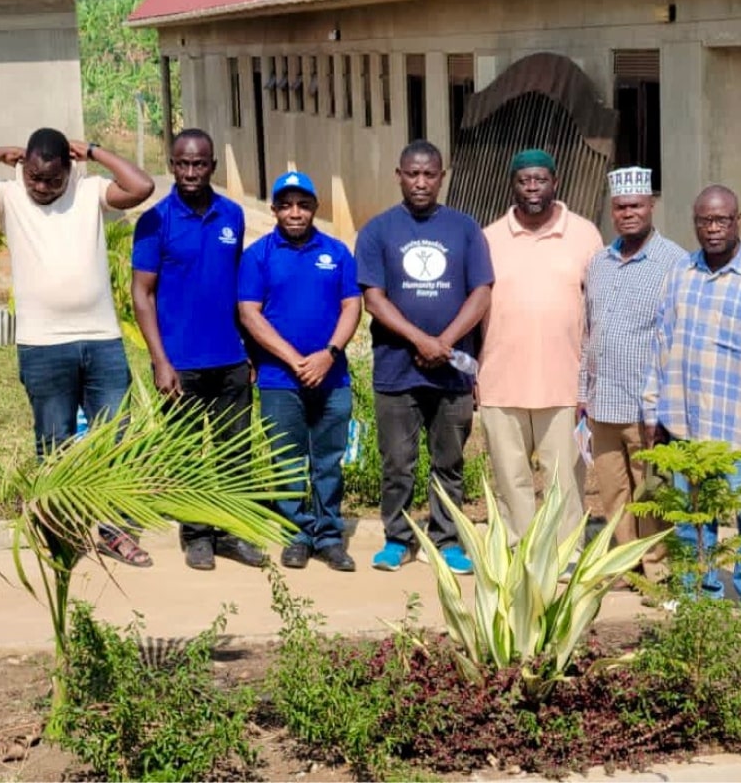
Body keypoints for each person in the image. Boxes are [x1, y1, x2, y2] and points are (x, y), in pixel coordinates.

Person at [0, 127, 157, 567]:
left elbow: (142, 186)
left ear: (70, 167)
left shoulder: (91, 190)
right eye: (34, 178)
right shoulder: (9, 198)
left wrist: (95, 151)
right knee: (54, 442)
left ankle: (115, 533)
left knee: (115, 440)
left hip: (102, 341)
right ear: (23, 169)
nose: (41, 188)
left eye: (52, 179)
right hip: (42, 346)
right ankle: (62, 531)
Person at [644, 185, 741, 599]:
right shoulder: (680, 274)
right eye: (704, 221)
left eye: (721, 220)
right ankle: (698, 598)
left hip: (740, 437)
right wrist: (653, 412)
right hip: (685, 430)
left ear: (737, 221)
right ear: (694, 222)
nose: (712, 229)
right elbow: (661, 345)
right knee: (692, 521)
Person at [355, 140, 492, 572]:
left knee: (449, 462)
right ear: (398, 175)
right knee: (397, 462)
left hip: (451, 374)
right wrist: (421, 341)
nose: (420, 182)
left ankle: (447, 539)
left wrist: (444, 343)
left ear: (441, 177)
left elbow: (482, 292)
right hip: (397, 371)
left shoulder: (465, 228)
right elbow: (373, 300)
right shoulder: (377, 231)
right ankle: (396, 537)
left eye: (428, 174)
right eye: (412, 174)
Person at [131, 128, 264, 571]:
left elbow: (238, 286)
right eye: (183, 163)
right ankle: (196, 536)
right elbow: (142, 294)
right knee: (185, 453)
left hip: (230, 359)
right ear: (172, 164)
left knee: (234, 452)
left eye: (199, 163)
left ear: (213, 166)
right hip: (180, 365)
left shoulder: (232, 216)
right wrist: (160, 360)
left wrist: (249, 350)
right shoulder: (155, 220)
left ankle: (229, 532)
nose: (191, 172)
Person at [239, 171, 362, 572]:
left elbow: (352, 307)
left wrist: (328, 353)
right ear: (274, 209)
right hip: (279, 380)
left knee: (328, 459)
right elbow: (249, 313)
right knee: (287, 460)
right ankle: (295, 534)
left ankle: (328, 536)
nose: (295, 213)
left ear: (314, 208)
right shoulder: (257, 255)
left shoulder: (337, 252)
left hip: (332, 377)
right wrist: (295, 360)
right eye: (287, 205)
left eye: (303, 205)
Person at [479, 148, 602, 543]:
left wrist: (591, 378)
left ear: (555, 182)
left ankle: (564, 556)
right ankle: (518, 554)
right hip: (501, 383)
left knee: (564, 481)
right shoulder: (489, 238)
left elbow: (597, 310)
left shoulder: (585, 234)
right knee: (510, 479)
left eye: (540, 179)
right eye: (524, 180)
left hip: (565, 386)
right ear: (513, 185)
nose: (532, 187)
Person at [580, 166, 682, 556]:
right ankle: (625, 565)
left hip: (646, 408)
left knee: (652, 489)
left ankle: (657, 568)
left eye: (636, 206)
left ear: (651, 205)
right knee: (613, 491)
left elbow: (675, 340)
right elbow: (587, 331)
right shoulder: (600, 263)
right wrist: (581, 395)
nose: (628, 214)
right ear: (612, 209)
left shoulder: (674, 263)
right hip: (603, 404)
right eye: (621, 207)